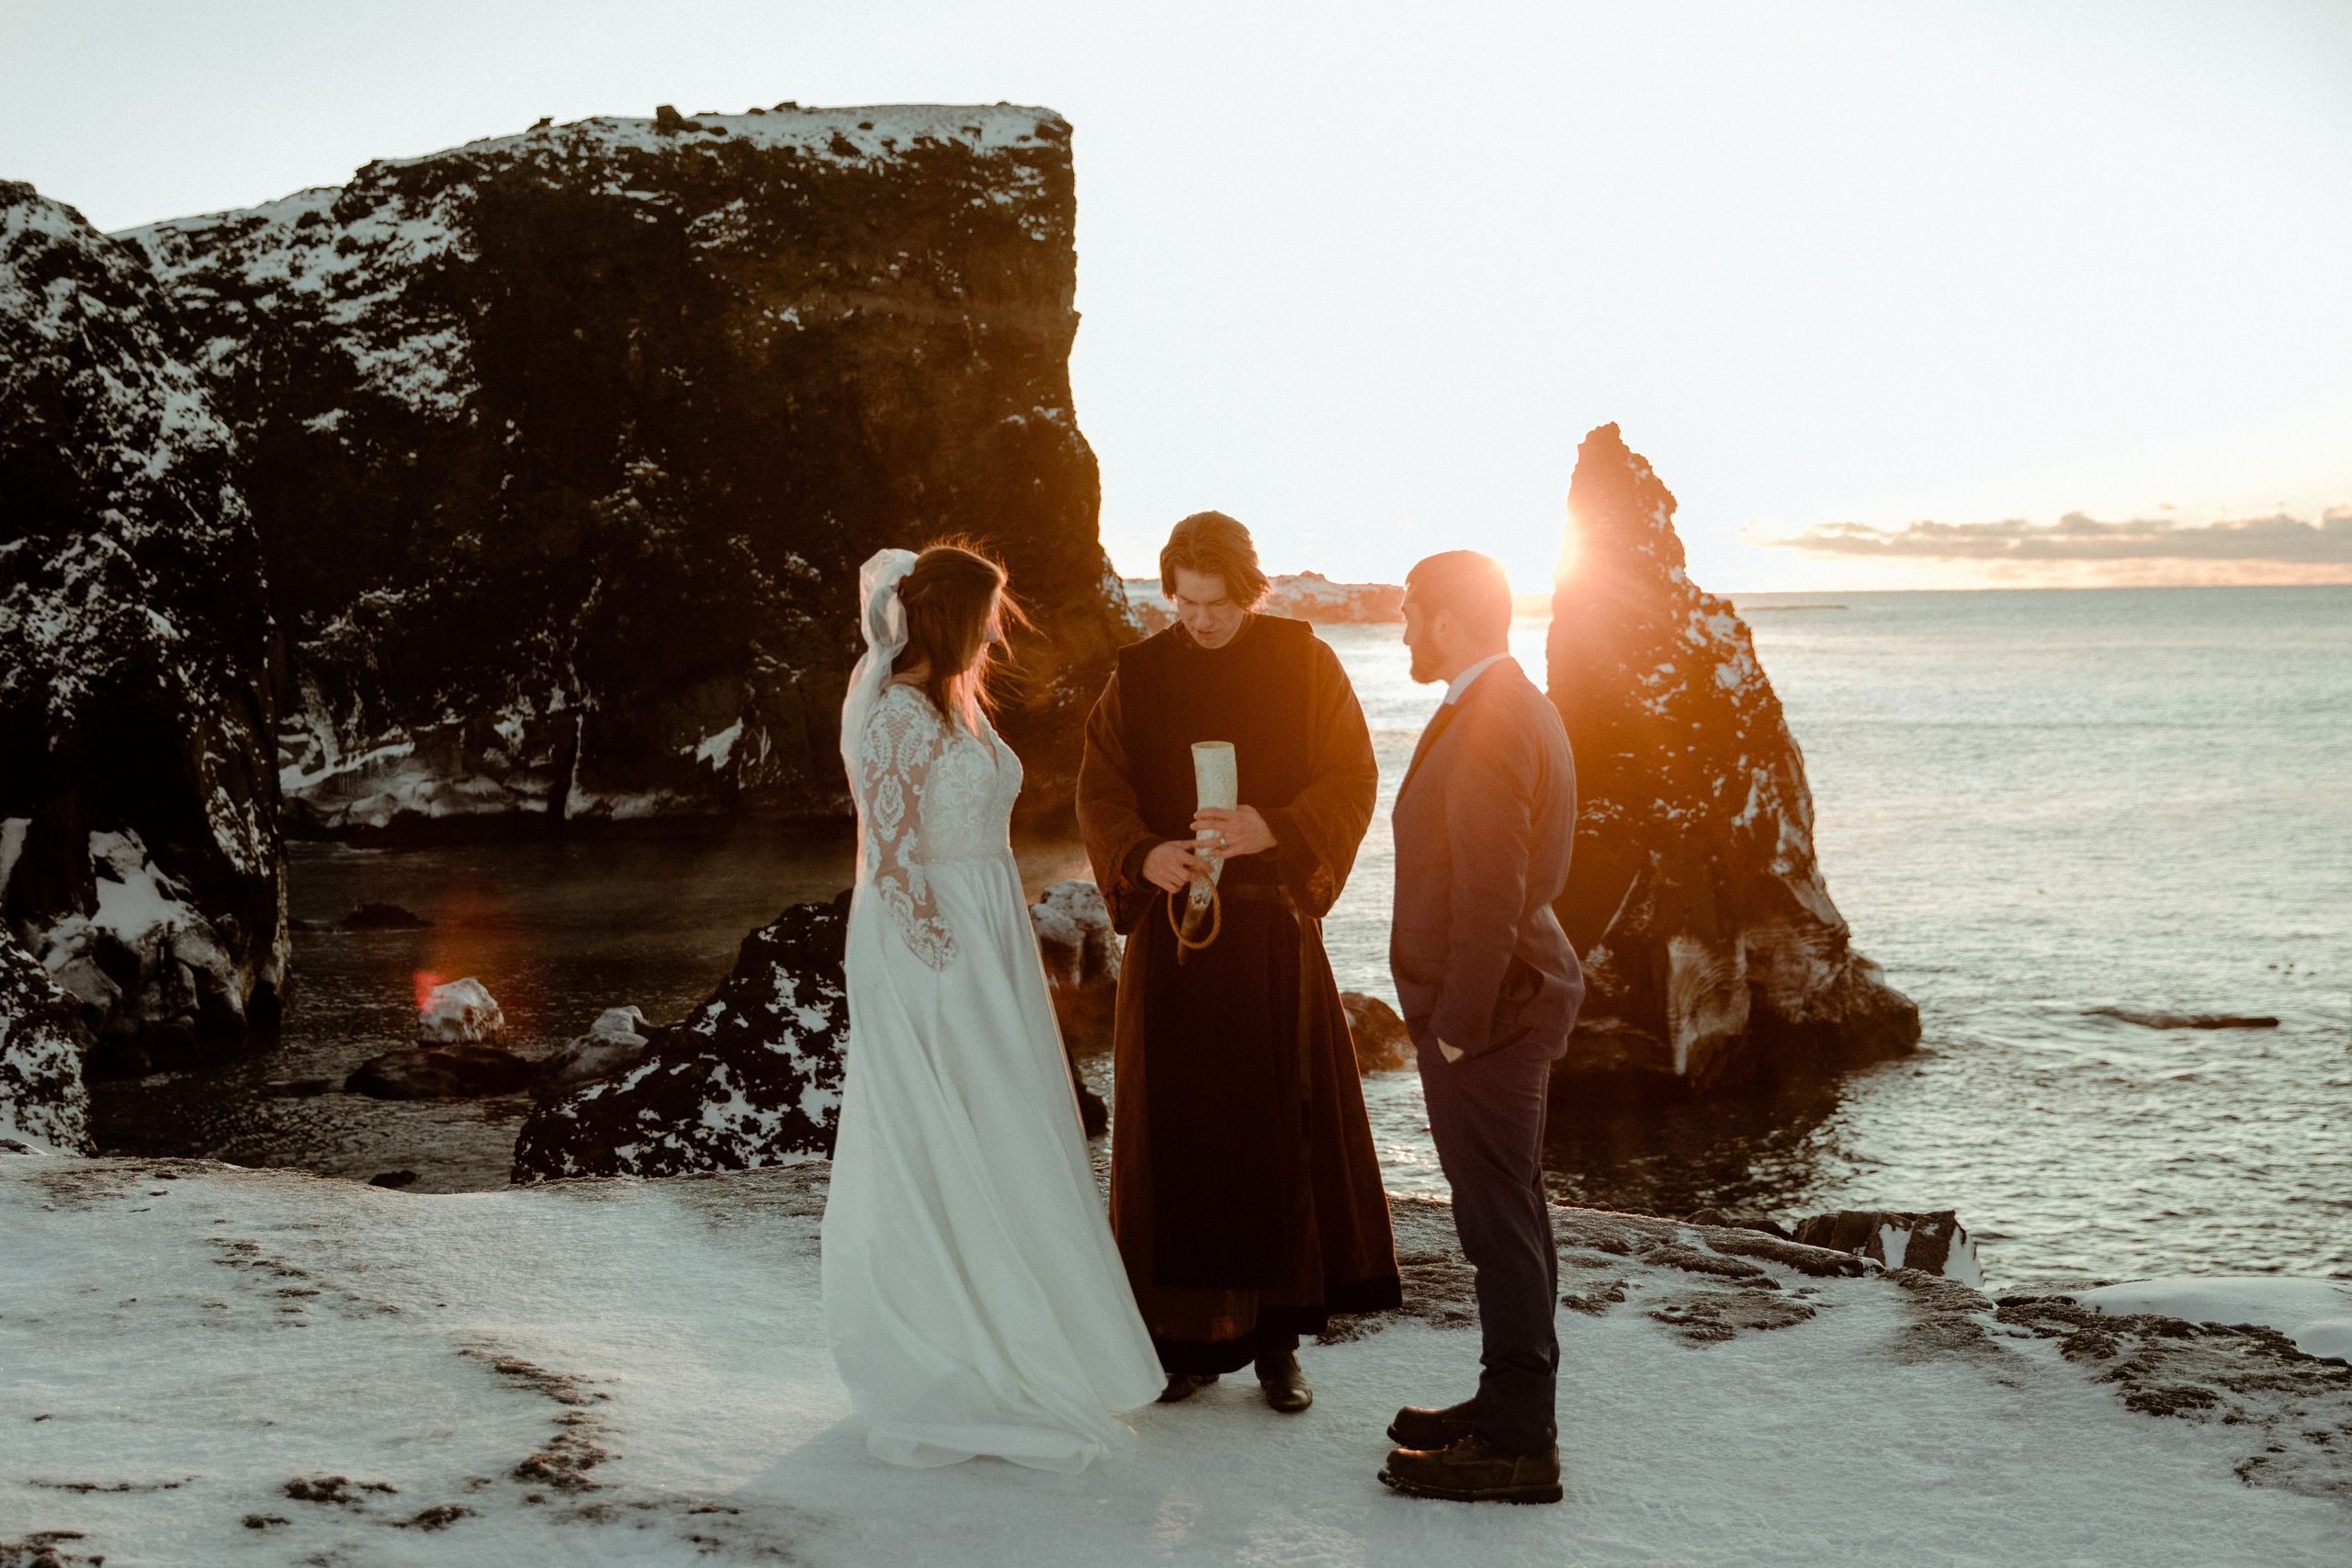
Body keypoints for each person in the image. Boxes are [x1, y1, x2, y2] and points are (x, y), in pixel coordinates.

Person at [820, 543, 1164, 1472]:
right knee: (962, 1131)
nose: (996, 634)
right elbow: (888, 862)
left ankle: (1029, 1332)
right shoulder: (894, 716)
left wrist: (993, 947)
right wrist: (948, 963)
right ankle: (964, 1347)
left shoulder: (952, 709)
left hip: (985, 926)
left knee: (1010, 1128)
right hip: (935, 948)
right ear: (947, 619)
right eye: (986, 619)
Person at [1078, 511, 1401, 1413]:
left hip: (1267, 941)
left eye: (1216, 605)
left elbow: (1351, 772)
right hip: (1172, 949)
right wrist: (1142, 854)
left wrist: (1279, 828)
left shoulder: (1303, 662)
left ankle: (1276, 1348)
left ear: (1247, 591)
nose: (1200, 620)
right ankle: (1174, 1345)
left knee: (1274, 1137)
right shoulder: (1138, 676)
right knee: (1172, 1143)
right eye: (1183, 603)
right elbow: (1097, 785)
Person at [1378, 549, 1581, 1505]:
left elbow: (1492, 893)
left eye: (1414, 614)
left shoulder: (1493, 718)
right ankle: (1508, 1404)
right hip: (1504, 1003)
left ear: (1452, 619)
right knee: (1512, 1209)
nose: (1405, 630)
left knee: (1496, 1221)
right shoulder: (1505, 700)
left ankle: (1517, 1444)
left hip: (1488, 1015)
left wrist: (1453, 1025)